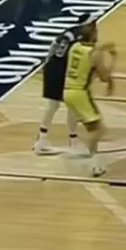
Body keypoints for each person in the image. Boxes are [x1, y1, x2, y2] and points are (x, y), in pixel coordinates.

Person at [61, 20, 118, 175]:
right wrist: (113, 58)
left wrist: (103, 48)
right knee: (99, 130)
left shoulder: (75, 47)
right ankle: (94, 164)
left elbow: (90, 54)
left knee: (93, 128)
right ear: (93, 35)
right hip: (80, 93)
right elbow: (105, 77)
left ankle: (95, 161)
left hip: (67, 91)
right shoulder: (96, 54)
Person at [33, 18, 90, 155]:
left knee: (55, 105)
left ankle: (42, 140)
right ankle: (72, 143)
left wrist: (47, 62)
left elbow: (53, 45)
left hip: (53, 67)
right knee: (68, 104)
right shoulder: (80, 37)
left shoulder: (70, 32)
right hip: (60, 70)